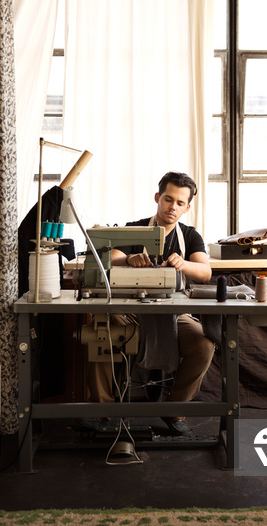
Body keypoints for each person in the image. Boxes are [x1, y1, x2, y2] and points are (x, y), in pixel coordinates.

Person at [87, 171, 215, 435]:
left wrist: (184, 263)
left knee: (203, 344)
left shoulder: (190, 236)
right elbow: (111, 255)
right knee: (102, 333)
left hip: (175, 313)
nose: (173, 207)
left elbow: (205, 272)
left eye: (180, 203)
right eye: (168, 199)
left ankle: (174, 409)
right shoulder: (134, 227)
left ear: (187, 207)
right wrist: (129, 258)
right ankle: (103, 412)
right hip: (132, 312)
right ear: (158, 198)